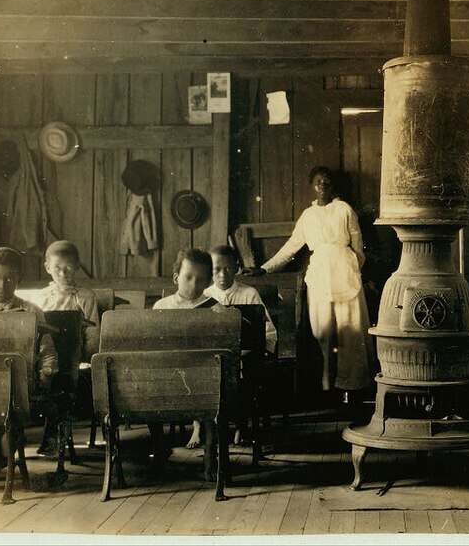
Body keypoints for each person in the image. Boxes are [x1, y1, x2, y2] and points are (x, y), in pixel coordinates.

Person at [243, 166, 373, 398]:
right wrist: (264, 268)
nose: (323, 185)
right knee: (321, 330)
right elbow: (292, 247)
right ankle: (325, 386)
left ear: (333, 185)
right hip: (320, 274)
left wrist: (353, 269)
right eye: (318, 181)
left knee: (350, 329)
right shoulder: (308, 215)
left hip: (345, 271)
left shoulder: (344, 209)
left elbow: (358, 245)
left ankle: (352, 387)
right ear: (312, 186)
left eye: (327, 181)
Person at [0, 247, 58, 482]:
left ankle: (2, 456)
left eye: (9, 278)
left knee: (8, 404)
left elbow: (47, 353)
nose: (1, 285)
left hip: (22, 385)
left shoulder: (31, 312)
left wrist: (45, 378)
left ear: (19, 280)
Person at [185, 245, 278, 450]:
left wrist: (252, 350)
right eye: (217, 269)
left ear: (236, 268)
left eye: (228, 269)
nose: (222, 274)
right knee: (198, 373)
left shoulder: (249, 293)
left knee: (243, 374)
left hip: (243, 356)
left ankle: (241, 424)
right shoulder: (204, 294)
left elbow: (269, 332)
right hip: (211, 359)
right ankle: (199, 425)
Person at [152, 248, 221, 479]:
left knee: (214, 392)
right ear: (176, 278)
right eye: (188, 277)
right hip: (168, 378)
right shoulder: (161, 307)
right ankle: (160, 447)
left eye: (201, 279)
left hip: (204, 379)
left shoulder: (215, 308)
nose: (194, 285)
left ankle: (211, 454)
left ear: (209, 281)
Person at [36, 239, 99, 456]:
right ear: (47, 268)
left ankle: (55, 438)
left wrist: (89, 356)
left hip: (75, 353)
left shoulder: (85, 296)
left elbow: (92, 332)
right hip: (48, 353)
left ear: (77, 267)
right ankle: (53, 436)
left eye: (68, 268)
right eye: (57, 268)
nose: (62, 274)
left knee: (63, 378)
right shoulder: (43, 297)